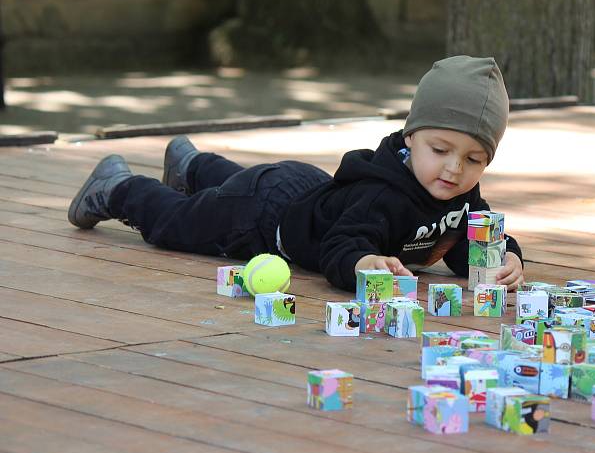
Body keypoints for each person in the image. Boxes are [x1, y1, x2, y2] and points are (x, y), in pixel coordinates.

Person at [68, 56, 525, 292]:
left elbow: (470, 244)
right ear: (409, 137)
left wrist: (504, 258)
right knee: (179, 222)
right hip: (263, 219)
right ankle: (118, 188)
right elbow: (339, 249)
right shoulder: (379, 196)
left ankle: (191, 165)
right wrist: (361, 263)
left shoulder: (461, 194)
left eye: (473, 159)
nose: (453, 169)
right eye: (441, 150)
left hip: (305, 191)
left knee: (232, 186)